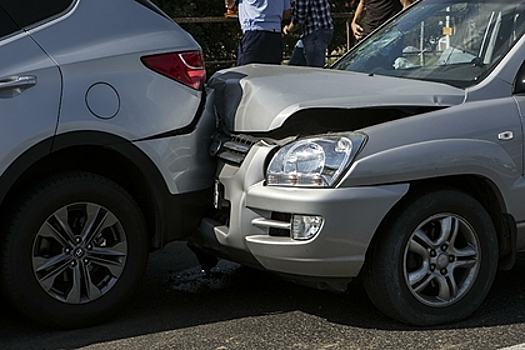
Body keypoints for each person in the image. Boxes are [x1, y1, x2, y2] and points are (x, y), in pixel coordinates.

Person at [225, 0, 291, 66]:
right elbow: (287, 13)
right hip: (275, 36)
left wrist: (231, 6)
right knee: (270, 74)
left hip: (253, 33)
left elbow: (229, 2)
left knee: (246, 73)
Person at [283, 0, 334, 67]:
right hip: (316, 31)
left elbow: (300, 17)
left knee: (315, 71)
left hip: (315, 32)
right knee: (294, 67)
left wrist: (289, 28)